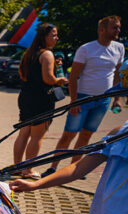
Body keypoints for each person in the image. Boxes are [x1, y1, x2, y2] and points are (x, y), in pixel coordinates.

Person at [43, 16, 123, 177]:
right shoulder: (87, 49)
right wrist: (74, 101)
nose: (118, 31)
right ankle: (53, 167)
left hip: (103, 100)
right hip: (82, 98)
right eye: (114, 27)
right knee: (69, 134)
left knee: (86, 135)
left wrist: (116, 98)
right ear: (102, 30)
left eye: (119, 27)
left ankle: (75, 168)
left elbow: (117, 74)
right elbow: (74, 77)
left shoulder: (119, 48)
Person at [12, 24, 68, 179]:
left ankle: (17, 166)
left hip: (26, 97)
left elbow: (22, 75)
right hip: (41, 100)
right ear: (44, 36)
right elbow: (48, 79)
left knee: (23, 133)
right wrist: (60, 80)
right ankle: (28, 170)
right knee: (37, 136)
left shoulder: (28, 54)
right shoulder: (47, 54)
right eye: (54, 35)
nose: (57, 38)